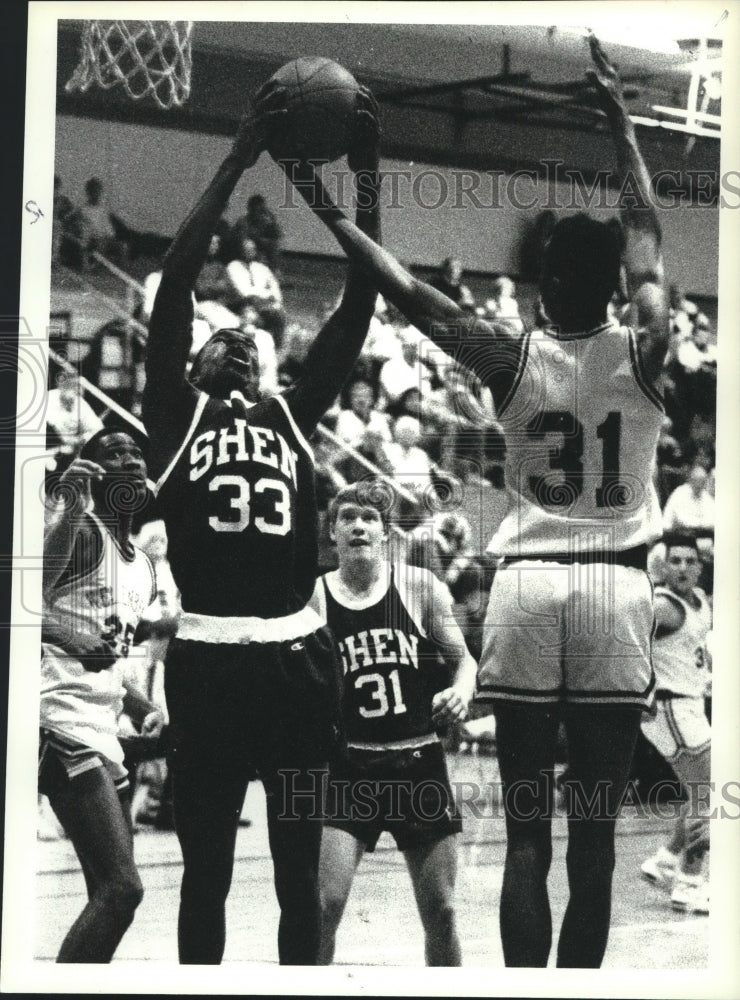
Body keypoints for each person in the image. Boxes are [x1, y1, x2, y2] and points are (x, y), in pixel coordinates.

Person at [279, 35, 668, 968]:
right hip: (617, 588)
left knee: (526, 828)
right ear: (615, 285)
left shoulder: (509, 353)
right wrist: (618, 124)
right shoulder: (646, 343)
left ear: (539, 289)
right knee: (598, 837)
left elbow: (400, 284)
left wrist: (329, 206)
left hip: (527, 588)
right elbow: (648, 228)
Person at [141, 86, 381, 965]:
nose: (239, 340)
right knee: (205, 873)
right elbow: (176, 277)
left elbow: (360, 302)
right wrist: (237, 157)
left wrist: (368, 181)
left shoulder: (290, 416)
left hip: (294, 662)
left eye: (251, 338)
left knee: (295, 879)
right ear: (193, 362)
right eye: (220, 337)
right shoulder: (173, 417)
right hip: (206, 662)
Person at [308, 483, 476, 965]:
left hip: (418, 762)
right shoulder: (315, 596)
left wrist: (461, 693)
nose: (358, 525)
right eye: (347, 518)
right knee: (324, 906)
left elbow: (464, 661)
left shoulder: (418, 585)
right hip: (348, 767)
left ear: (385, 532)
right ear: (333, 532)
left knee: (441, 911)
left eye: (369, 518)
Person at [40, 427, 164, 962]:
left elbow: (108, 650)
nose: (131, 460)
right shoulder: (82, 530)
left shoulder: (145, 564)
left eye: (137, 454)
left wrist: (139, 703)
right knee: (124, 888)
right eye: (115, 453)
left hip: (103, 726)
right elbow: (21, 607)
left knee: (110, 896)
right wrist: (70, 509)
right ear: (94, 472)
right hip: (57, 719)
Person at [639, 535, 712, 914]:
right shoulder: (662, 607)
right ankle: (690, 883)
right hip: (669, 708)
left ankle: (665, 860)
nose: (682, 568)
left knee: (702, 792)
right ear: (663, 566)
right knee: (712, 794)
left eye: (689, 561)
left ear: (700, 565)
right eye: (675, 561)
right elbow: (623, 636)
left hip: (690, 705)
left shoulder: (700, 601)